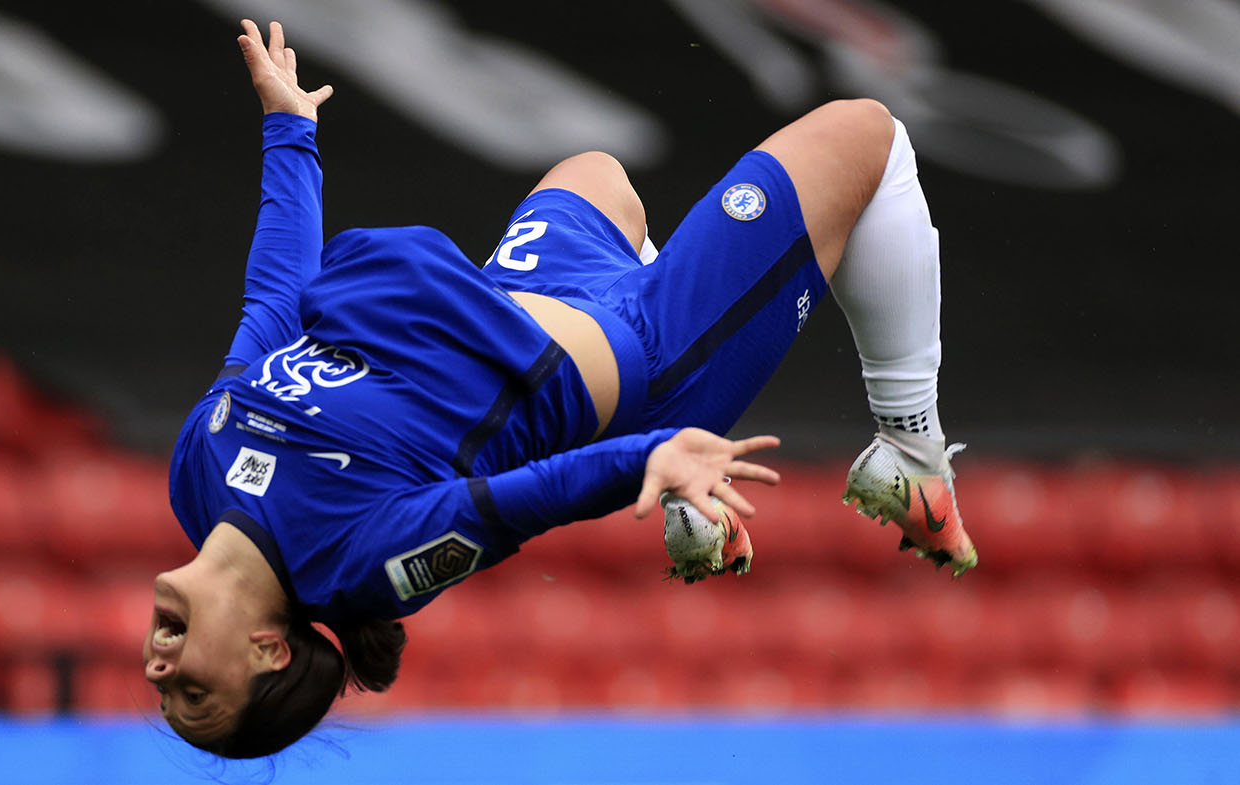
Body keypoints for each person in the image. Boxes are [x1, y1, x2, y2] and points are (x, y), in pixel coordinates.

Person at [146, 18, 977, 758]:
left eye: (166, 691)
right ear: (268, 650)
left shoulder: (198, 475)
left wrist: (291, 131)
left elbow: (274, 308)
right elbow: (513, 505)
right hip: (645, 362)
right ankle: (910, 448)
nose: (161, 667)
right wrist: (653, 454)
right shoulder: (352, 564)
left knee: (598, 175)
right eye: (195, 691)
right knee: (869, 133)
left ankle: (697, 503)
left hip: (517, 295)